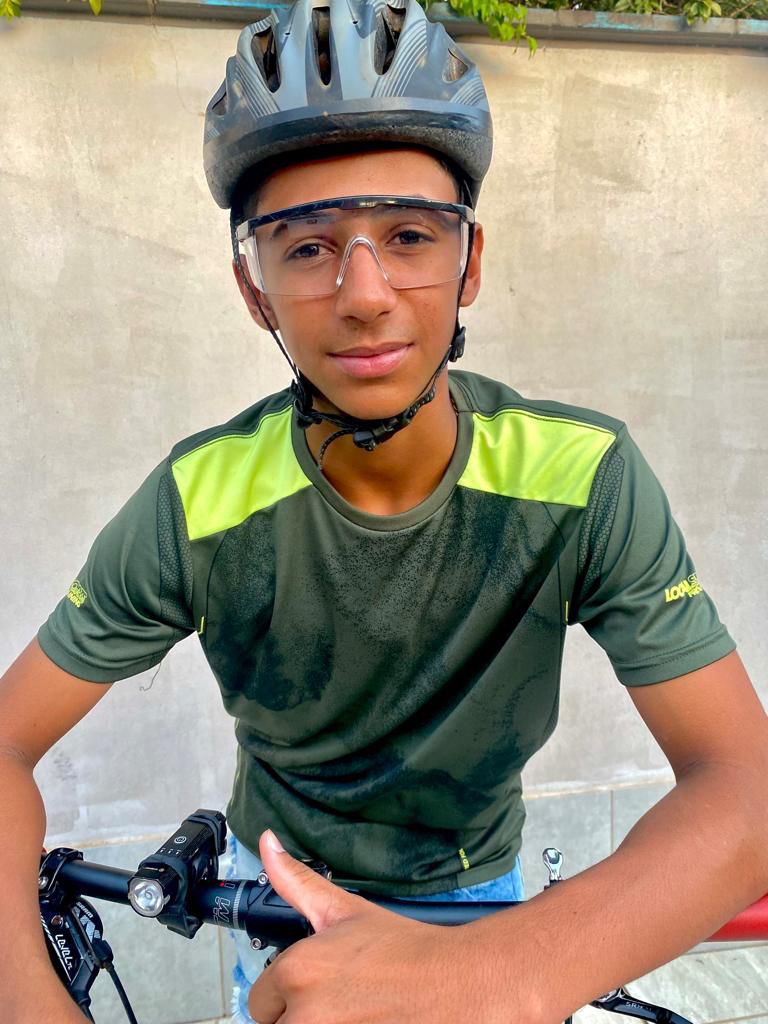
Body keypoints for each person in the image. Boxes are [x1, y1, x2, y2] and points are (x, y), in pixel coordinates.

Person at [2, 1, 767, 1022]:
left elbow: (745, 784)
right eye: (305, 247)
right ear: (254, 292)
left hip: (477, 895)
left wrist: (504, 970)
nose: (364, 293)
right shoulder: (198, 501)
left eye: (408, 235)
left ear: (471, 263)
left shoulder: (582, 476)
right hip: (274, 893)